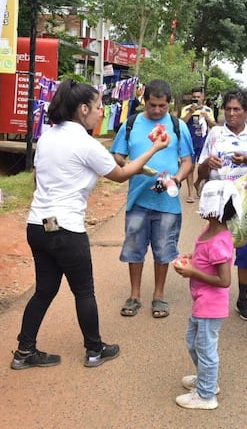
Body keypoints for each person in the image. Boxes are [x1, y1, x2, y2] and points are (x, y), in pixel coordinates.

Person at [12, 79, 169, 371]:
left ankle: (24, 351)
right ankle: (95, 350)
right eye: (98, 107)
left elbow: (38, 179)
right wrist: (155, 150)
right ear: (83, 109)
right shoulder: (85, 143)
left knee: (45, 289)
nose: (101, 113)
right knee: (84, 291)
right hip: (67, 228)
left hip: (38, 224)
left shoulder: (47, 137)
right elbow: (122, 174)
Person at [111, 79, 194, 318]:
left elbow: (188, 161)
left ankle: (159, 296)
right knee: (134, 248)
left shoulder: (178, 126)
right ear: (144, 101)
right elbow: (117, 155)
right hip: (137, 198)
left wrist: (177, 179)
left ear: (170, 104)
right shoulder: (132, 123)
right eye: (152, 105)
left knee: (163, 248)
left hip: (167, 201)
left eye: (162, 106)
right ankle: (134, 295)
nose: (157, 110)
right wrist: (129, 166)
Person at [197, 89, 247, 321]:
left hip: (246, 203)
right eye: (228, 109)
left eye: (237, 110)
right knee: (217, 248)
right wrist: (208, 163)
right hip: (219, 203)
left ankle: (243, 298)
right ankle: (212, 293)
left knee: (245, 252)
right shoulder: (215, 134)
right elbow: (201, 169)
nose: (232, 114)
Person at [172, 180, 239, 410]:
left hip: (211, 305)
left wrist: (192, 271)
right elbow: (204, 255)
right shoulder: (209, 230)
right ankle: (205, 380)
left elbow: (224, 280)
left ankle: (206, 395)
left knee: (205, 348)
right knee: (193, 342)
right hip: (201, 301)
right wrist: (192, 257)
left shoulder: (220, 240)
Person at [180, 87, 215, 203]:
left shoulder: (208, 110)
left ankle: (198, 182)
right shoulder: (186, 109)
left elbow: (214, 127)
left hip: (204, 143)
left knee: (205, 167)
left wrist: (207, 118)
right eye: (194, 97)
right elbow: (181, 123)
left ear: (203, 98)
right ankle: (190, 193)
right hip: (189, 142)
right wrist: (190, 112)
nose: (196, 99)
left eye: (198, 97)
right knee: (190, 167)